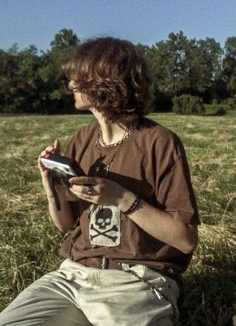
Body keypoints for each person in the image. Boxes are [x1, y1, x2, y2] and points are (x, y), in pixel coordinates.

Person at [0, 37, 199, 326]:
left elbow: (185, 239)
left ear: (104, 81)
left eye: (77, 78)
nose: (70, 85)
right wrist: (51, 185)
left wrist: (122, 199)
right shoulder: (81, 139)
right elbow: (65, 224)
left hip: (136, 281)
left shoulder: (160, 142)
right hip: (72, 276)